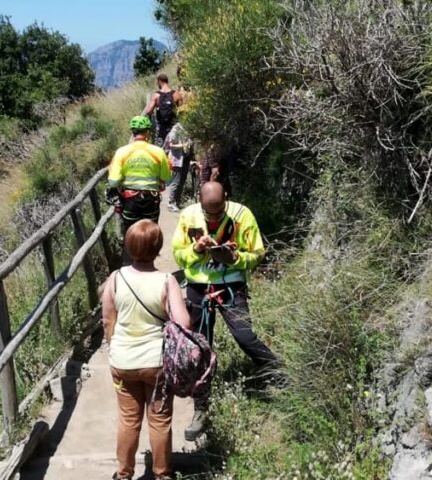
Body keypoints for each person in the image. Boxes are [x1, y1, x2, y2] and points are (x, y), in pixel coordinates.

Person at [171, 181, 278, 441]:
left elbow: (258, 253)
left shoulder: (242, 215)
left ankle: (279, 374)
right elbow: (178, 255)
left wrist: (235, 259)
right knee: (200, 346)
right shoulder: (189, 216)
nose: (214, 218)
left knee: (244, 336)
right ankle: (201, 408)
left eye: (219, 213)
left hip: (232, 287)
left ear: (226, 199)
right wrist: (196, 250)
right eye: (210, 214)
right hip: (199, 288)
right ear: (200, 201)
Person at [103, 220, 193, 480]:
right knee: (160, 420)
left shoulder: (116, 278)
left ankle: (123, 474)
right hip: (157, 363)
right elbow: (183, 322)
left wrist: (113, 346)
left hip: (123, 361)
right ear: (158, 248)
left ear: (129, 247)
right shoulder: (167, 281)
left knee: (128, 420)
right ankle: (163, 474)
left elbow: (108, 319)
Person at [107, 116, 172, 264]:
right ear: (148, 132)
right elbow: (166, 177)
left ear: (132, 132)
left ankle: (130, 266)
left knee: (131, 233)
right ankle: (149, 264)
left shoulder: (122, 152)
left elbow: (113, 180)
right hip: (151, 200)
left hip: (130, 200)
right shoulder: (158, 152)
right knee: (150, 233)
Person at [142, 73, 182, 148]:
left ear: (159, 81)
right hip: (173, 127)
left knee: (160, 148)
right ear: (167, 81)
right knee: (173, 147)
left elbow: (148, 111)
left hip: (161, 128)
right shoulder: (176, 94)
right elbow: (181, 111)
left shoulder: (156, 95)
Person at [164, 122, 191, 212]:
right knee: (176, 182)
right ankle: (171, 203)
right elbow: (171, 145)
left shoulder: (188, 128)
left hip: (185, 158)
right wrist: (182, 146)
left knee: (182, 181)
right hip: (176, 159)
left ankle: (177, 202)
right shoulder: (176, 129)